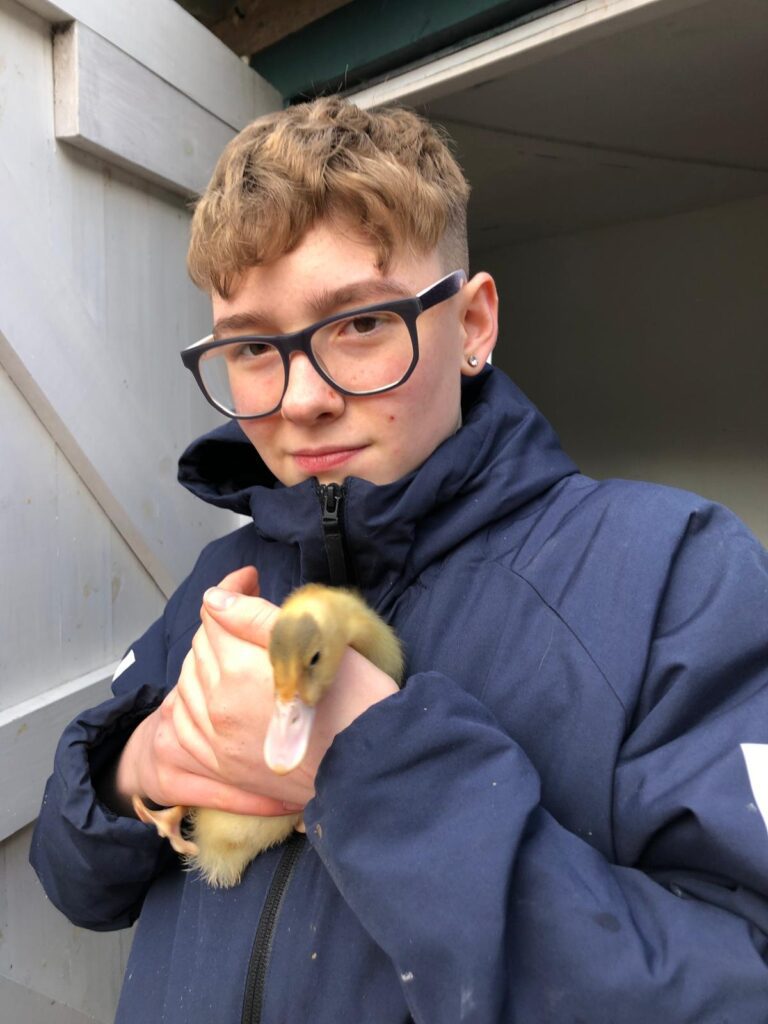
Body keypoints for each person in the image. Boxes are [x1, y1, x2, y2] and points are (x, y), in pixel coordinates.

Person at [31, 97, 768, 1023]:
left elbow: (738, 985)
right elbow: (71, 879)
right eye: (254, 347)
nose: (300, 399)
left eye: (360, 324)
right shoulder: (224, 581)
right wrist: (144, 763)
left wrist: (365, 767)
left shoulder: (673, 578)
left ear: (472, 325)